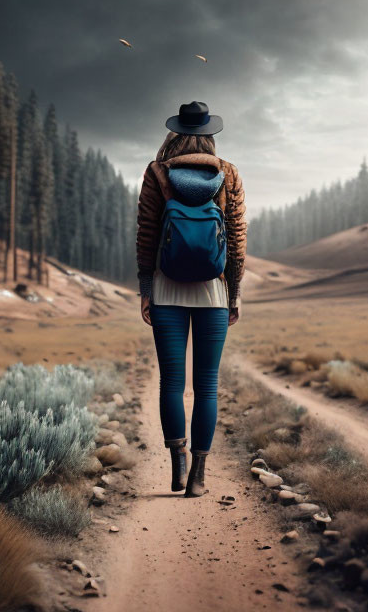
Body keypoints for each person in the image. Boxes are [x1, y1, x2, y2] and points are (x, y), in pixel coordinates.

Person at [135, 101, 247, 497]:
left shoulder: (157, 172)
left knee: (171, 382)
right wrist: (234, 294)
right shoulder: (227, 173)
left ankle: (177, 465)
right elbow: (235, 239)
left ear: (174, 133)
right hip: (213, 291)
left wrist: (147, 290)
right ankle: (199, 474)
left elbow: (147, 234)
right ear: (209, 134)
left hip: (166, 289)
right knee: (207, 386)